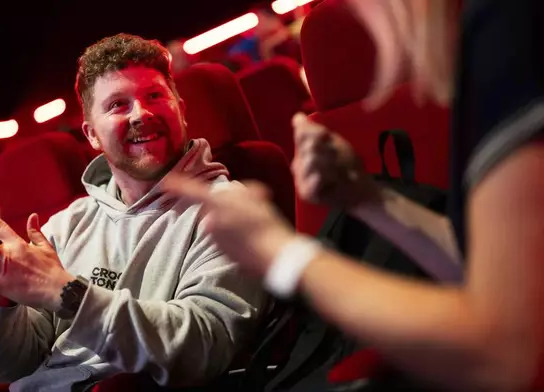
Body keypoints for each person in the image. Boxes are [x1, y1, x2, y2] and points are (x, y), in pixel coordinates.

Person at [162, 0, 544, 390]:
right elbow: (478, 268)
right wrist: (366, 197)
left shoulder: (507, 24)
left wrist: (282, 253)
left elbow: (511, 354)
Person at [0, 33, 264, 391]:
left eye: (154, 95)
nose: (142, 113)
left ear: (180, 108)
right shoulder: (69, 224)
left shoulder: (229, 209)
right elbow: (3, 366)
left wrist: (69, 293)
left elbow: (203, 346)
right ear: (91, 134)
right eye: (118, 105)